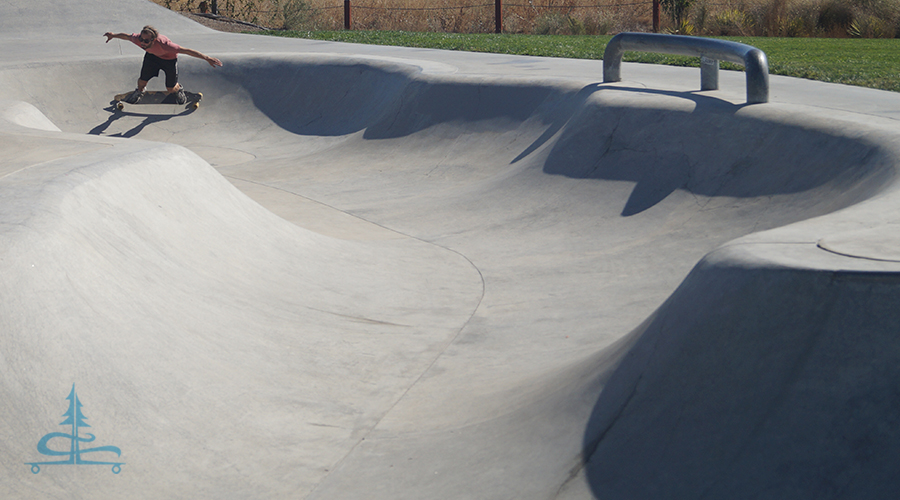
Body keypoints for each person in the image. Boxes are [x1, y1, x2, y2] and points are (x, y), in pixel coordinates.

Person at [104, 26, 223, 104]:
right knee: (142, 80)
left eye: (146, 41)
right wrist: (113, 35)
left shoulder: (166, 45)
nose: (143, 43)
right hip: (152, 58)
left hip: (169, 60)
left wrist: (207, 58)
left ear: (154, 40)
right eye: (142, 39)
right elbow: (126, 36)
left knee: (170, 88)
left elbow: (187, 51)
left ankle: (178, 90)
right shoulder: (138, 39)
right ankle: (140, 91)